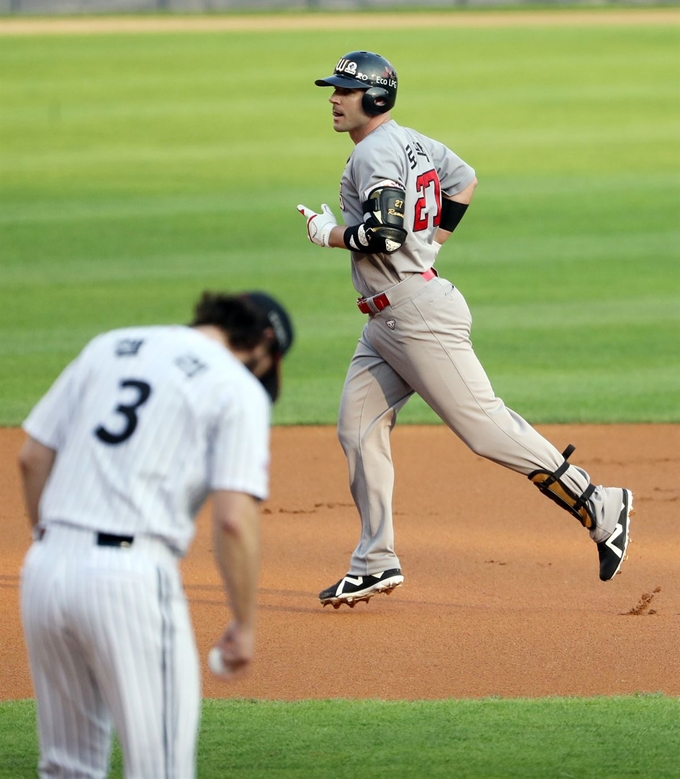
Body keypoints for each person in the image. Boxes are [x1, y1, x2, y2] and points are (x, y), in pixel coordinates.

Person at [297, 50, 633, 610]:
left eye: (344, 90)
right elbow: (465, 180)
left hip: (416, 315)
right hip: (386, 321)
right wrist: (434, 243)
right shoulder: (410, 140)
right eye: (332, 89)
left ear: (374, 98)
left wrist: (328, 233)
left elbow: (381, 234)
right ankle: (374, 561)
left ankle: (599, 503)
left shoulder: (375, 154)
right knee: (357, 429)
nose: (333, 98)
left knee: (484, 426)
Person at [18, 290, 293, 778]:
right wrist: (244, 623)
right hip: (130, 579)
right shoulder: (235, 386)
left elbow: (32, 459)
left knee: (65, 768)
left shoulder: (110, 345)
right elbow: (233, 519)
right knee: (159, 769)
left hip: (43, 571)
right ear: (263, 344)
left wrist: (54, 543)